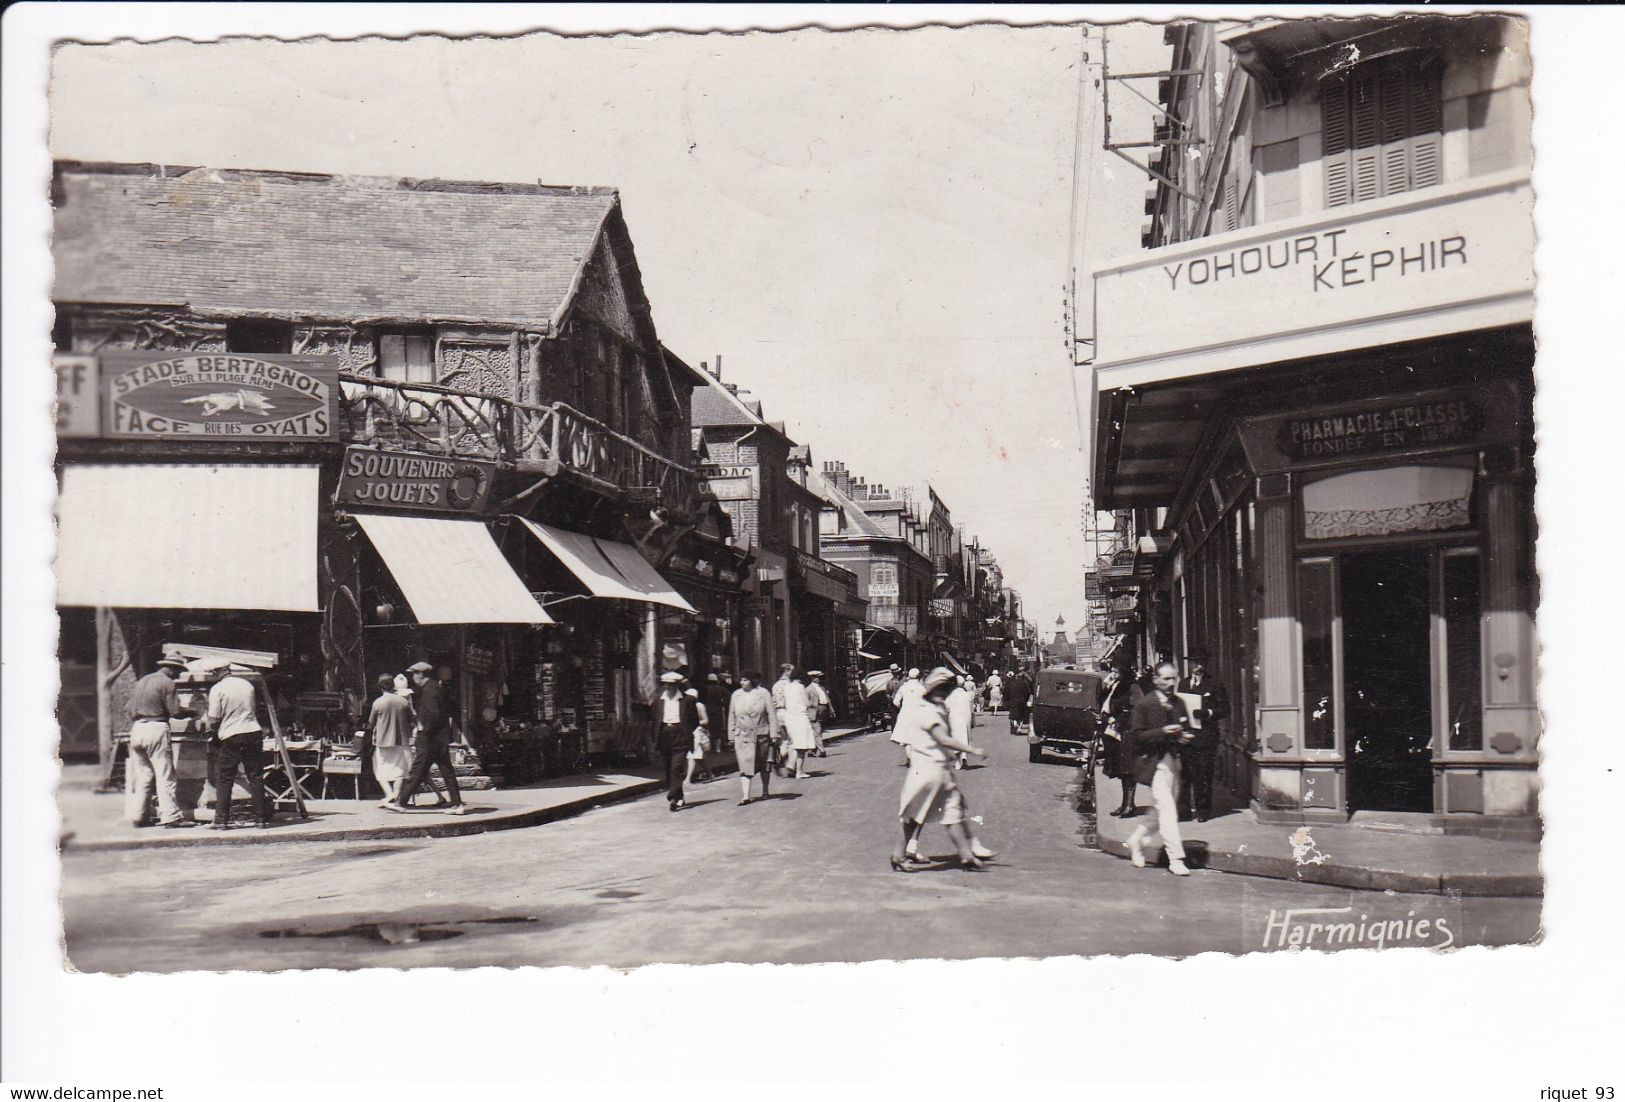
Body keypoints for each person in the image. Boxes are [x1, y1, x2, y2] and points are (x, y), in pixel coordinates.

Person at [890, 667, 992, 872]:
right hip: (928, 769)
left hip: (934, 770)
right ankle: (899, 856)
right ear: (938, 689)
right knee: (920, 815)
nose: (946, 694)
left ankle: (966, 855)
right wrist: (971, 749)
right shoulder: (929, 711)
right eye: (945, 690)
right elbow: (943, 739)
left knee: (949, 811)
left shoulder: (929, 707)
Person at [1124, 661, 1195, 877]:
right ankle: (1176, 858)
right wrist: (1163, 731)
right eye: (1165, 678)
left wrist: (1184, 736)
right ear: (1155, 679)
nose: (1171, 683)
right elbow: (1136, 736)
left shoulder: (1179, 703)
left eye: (1173, 678)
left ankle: (1136, 840)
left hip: (1173, 762)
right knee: (1168, 810)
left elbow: (1186, 728)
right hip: (1152, 764)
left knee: (1159, 810)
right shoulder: (1144, 704)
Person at [124, 655, 196, 829]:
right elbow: (175, 711)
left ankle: (139, 816)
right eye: (178, 671)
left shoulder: (143, 681)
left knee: (143, 777)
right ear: (171, 668)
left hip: (137, 729)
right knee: (165, 776)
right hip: (156, 728)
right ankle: (171, 817)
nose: (179, 675)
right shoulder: (167, 683)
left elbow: (128, 708)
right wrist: (193, 711)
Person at [388, 660, 467, 815]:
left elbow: (433, 714)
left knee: (418, 770)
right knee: (445, 771)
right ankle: (457, 804)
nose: (413, 678)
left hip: (430, 739)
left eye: (414, 675)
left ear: (421, 674)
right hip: (439, 738)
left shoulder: (430, 690)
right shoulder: (433, 688)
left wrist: (423, 730)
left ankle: (400, 802)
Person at [204, 666, 270, 831]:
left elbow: (213, 719)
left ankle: (221, 820)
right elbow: (252, 710)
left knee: (225, 779)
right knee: (255, 776)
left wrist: (212, 730)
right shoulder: (247, 685)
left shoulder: (217, 688)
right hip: (253, 732)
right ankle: (260, 820)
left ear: (216, 672)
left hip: (231, 735)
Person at [1178, 656, 1230, 822]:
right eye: (1194, 663)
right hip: (1187, 736)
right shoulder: (1184, 684)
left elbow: (1225, 708)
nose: (1198, 666)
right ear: (1189, 664)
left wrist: (1208, 713)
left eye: (1201, 663)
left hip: (1206, 737)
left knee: (1204, 775)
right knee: (1185, 774)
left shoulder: (1214, 684)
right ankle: (1184, 811)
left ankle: (1203, 811)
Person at [651, 671, 704, 811]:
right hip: (664, 734)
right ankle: (679, 796)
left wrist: (685, 731)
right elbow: (654, 721)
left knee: (677, 767)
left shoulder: (688, 700)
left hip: (681, 734)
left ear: (678, 685)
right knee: (669, 767)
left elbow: (694, 721)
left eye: (672, 685)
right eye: (666, 685)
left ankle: (673, 796)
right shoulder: (658, 700)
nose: (669, 688)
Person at [728, 671, 778, 805]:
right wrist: (731, 735)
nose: (742, 682)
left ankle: (765, 790)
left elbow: (771, 714)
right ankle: (746, 796)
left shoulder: (763, 693)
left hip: (761, 734)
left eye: (745, 680)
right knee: (745, 765)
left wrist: (774, 733)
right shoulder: (736, 695)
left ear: (752, 681)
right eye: (741, 680)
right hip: (742, 735)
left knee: (764, 765)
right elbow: (732, 715)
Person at [367, 673, 415, 805]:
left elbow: (371, 723)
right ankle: (396, 796)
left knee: (379, 769)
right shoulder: (404, 702)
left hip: (382, 741)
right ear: (393, 686)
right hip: (402, 741)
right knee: (400, 771)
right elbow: (411, 720)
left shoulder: (378, 703)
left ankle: (389, 794)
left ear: (380, 687)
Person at [777, 668, 817, 779]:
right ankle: (799, 771)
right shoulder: (801, 687)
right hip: (800, 717)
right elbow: (807, 703)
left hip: (789, 717)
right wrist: (813, 703)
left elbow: (783, 703)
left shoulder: (786, 687)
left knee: (794, 742)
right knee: (802, 746)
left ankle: (789, 763)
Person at [682, 672, 715, 788]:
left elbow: (705, 720)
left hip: (698, 731)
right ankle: (710, 774)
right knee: (699, 756)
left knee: (692, 754)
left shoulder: (700, 706)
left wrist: (695, 722)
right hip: (690, 731)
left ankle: (687, 779)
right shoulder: (686, 706)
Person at [888, 668, 925, 764]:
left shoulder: (904, 687)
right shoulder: (922, 688)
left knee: (906, 735)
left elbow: (895, 701)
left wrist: (902, 707)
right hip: (919, 713)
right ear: (918, 676)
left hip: (905, 713)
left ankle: (909, 753)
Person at [805, 670, 831, 757]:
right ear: (812, 678)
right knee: (817, 731)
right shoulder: (808, 689)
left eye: (819, 677)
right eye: (816, 677)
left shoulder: (822, 688)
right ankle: (822, 750)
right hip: (814, 712)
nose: (819, 679)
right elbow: (806, 703)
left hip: (823, 710)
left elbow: (827, 699)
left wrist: (831, 710)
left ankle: (811, 751)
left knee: (820, 731)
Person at [1007, 668, 1034, 735]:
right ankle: (1019, 728)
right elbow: (1028, 692)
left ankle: (1015, 724)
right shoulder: (1025, 684)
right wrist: (1026, 700)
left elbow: (1007, 692)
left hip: (1013, 701)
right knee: (1022, 715)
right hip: (1022, 701)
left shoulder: (1012, 683)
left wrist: (1007, 700)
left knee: (1013, 715)